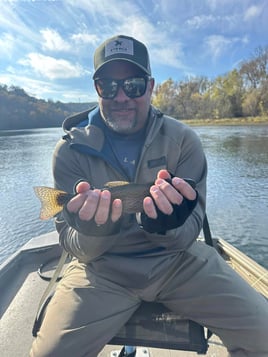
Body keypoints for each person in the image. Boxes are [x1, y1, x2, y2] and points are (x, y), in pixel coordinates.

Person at [30, 35, 268, 357]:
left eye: (134, 84)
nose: (121, 96)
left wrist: (168, 227)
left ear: (151, 86)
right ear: (97, 88)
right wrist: (94, 230)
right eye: (109, 86)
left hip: (177, 262)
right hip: (101, 268)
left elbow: (191, 229)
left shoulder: (184, 141)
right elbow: (71, 243)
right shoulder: (68, 151)